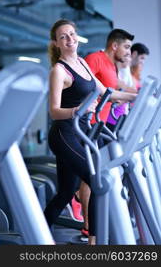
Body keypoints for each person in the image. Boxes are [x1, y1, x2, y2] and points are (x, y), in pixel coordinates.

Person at [44, 19, 137, 245]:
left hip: (82, 132)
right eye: (63, 36)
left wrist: (138, 98)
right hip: (64, 134)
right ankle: (95, 243)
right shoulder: (59, 70)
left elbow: (107, 93)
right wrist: (77, 109)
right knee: (96, 180)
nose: (70, 39)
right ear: (56, 43)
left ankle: (37, 234)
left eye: (72, 34)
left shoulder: (83, 64)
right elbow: (54, 111)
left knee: (66, 193)